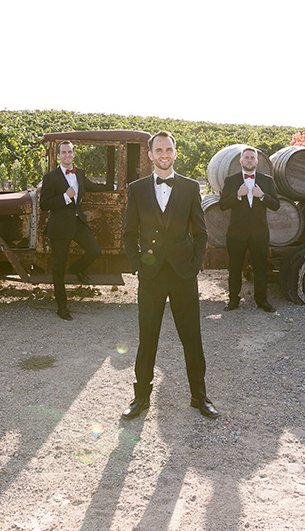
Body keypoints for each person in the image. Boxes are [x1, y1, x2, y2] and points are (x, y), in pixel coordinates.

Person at [121, 131, 218, 419]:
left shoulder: (189, 188)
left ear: (175, 153)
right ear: (150, 155)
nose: (164, 154)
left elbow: (201, 232)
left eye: (169, 149)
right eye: (158, 150)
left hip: (182, 273)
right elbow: (128, 234)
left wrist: (195, 264)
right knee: (147, 337)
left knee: (192, 337)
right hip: (150, 275)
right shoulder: (137, 189)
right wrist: (138, 266)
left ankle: (199, 397)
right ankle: (141, 399)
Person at [39, 140, 103, 320]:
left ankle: (77, 267)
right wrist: (65, 197)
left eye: (70, 152)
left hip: (78, 224)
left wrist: (115, 187)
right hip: (59, 228)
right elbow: (44, 205)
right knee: (58, 269)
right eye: (64, 152)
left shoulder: (80, 173)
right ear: (58, 156)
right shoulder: (50, 178)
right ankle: (62, 306)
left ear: (74, 154)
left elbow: (92, 186)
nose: (67, 155)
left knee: (95, 251)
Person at [218, 146, 280, 312]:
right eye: (246, 157)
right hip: (236, 234)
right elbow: (222, 204)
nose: (249, 160)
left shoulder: (266, 180)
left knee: (260, 268)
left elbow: (276, 205)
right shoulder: (231, 180)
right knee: (235, 268)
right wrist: (238, 195)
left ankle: (262, 300)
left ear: (257, 161)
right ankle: (233, 301)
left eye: (252, 158)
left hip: (259, 234)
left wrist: (263, 196)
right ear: (241, 161)